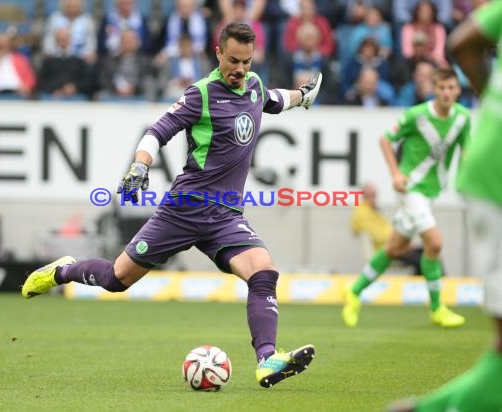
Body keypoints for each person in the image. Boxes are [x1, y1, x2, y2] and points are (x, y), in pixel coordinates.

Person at [21, 22, 322, 389]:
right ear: (217, 52)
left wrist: (302, 95)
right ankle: (63, 272)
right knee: (118, 279)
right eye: (232, 61)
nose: (239, 69)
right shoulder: (201, 94)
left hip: (225, 214)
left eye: (245, 61)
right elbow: (157, 131)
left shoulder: (253, 86)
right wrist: (139, 166)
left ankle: (267, 360)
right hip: (184, 209)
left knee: (263, 273)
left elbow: (275, 99)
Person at [390, 1, 502, 411]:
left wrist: (494, 99)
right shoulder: (421, 114)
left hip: (485, 172)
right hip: (501, 185)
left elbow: (462, 43)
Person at [342, 67, 469, 329]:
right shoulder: (417, 115)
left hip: (431, 192)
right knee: (434, 243)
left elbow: (465, 153)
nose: (446, 92)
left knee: (394, 248)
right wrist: (396, 174)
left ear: (458, 90)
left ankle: (354, 291)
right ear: (435, 89)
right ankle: (437, 308)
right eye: (442, 87)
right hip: (411, 190)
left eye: (451, 88)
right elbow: (385, 140)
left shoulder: (463, 118)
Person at [352, 182, 442, 276]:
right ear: (364, 195)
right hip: (389, 250)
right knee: (424, 258)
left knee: (430, 250)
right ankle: (439, 284)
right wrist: (400, 243)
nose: (375, 198)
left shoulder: (373, 211)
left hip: (395, 246)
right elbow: (379, 236)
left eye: (375, 195)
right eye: (372, 195)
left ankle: (434, 283)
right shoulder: (363, 213)